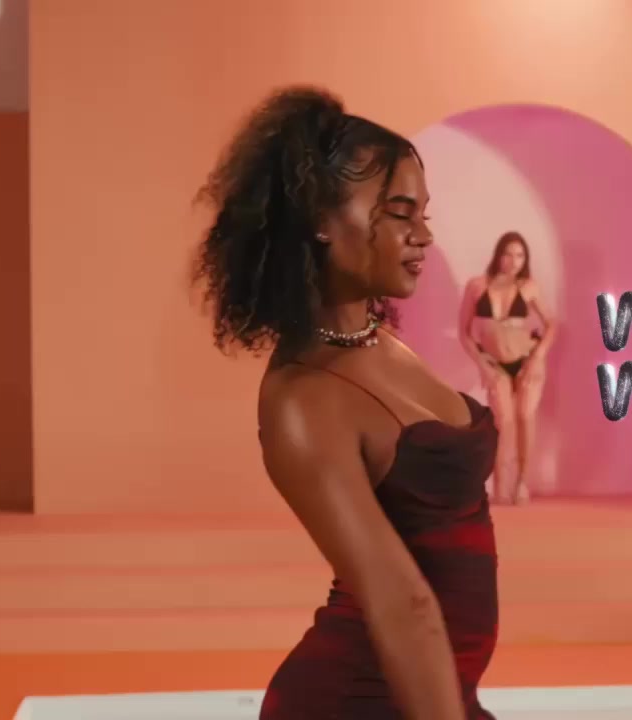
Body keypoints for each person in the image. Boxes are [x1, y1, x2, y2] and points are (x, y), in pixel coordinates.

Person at [192, 86, 500, 720]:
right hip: (359, 701)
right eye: (398, 212)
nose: (423, 235)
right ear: (320, 220)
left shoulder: (377, 340)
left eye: (423, 213)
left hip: (438, 694)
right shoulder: (304, 399)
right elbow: (402, 602)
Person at [459, 232, 556, 505]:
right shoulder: (477, 286)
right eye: (508, 254)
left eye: (520, 256)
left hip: (526, 361)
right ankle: (501, 485)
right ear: (498, 254)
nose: (514, 261)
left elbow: (551, 324)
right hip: (495, 364)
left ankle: (522, 482)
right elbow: (464, 332)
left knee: (525, 416)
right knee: (504, 422)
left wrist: (537, 358)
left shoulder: (528, 287)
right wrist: (482, 365)